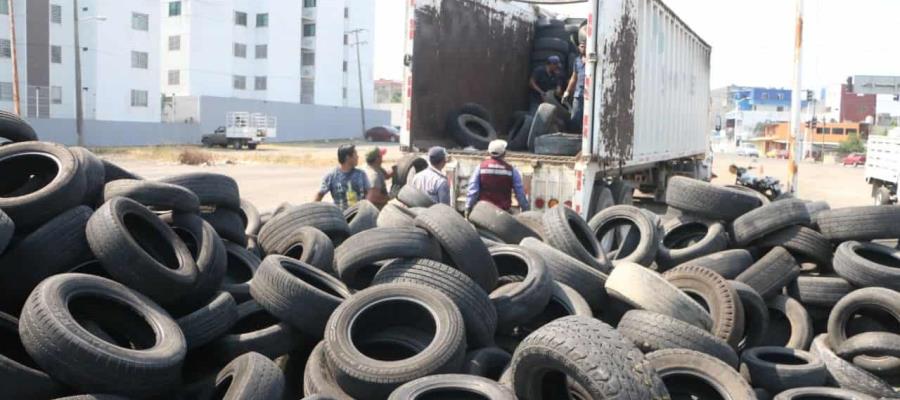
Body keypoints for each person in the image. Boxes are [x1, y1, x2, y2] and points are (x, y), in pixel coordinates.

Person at [465, 140, 529, 214]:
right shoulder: (511, 170)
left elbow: (473, 190)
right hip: (503, 214)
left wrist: (468, 207)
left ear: (488, 152)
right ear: (504, 153)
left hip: (483, 212)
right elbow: (520, 193)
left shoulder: (480, 168)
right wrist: (526, 209)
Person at [315, 144, 370, 211]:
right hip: (340, 217)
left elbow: (369, 194)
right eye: (355, 154)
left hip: (358, 215)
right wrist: (313, 213)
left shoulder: (361, 174)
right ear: (348, 157)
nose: (358, 157)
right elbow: (320, 194)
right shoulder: (332, 176)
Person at [562, 43, 587, 132]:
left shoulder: (592, 61)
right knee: (575, 118)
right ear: (578, 48)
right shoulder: (577, 61)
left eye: (585, 46)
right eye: (581, 46)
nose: (583, 48)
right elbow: (574, 77)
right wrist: (567, 91)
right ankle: (574, 138)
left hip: (591, 95)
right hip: (579, 94)